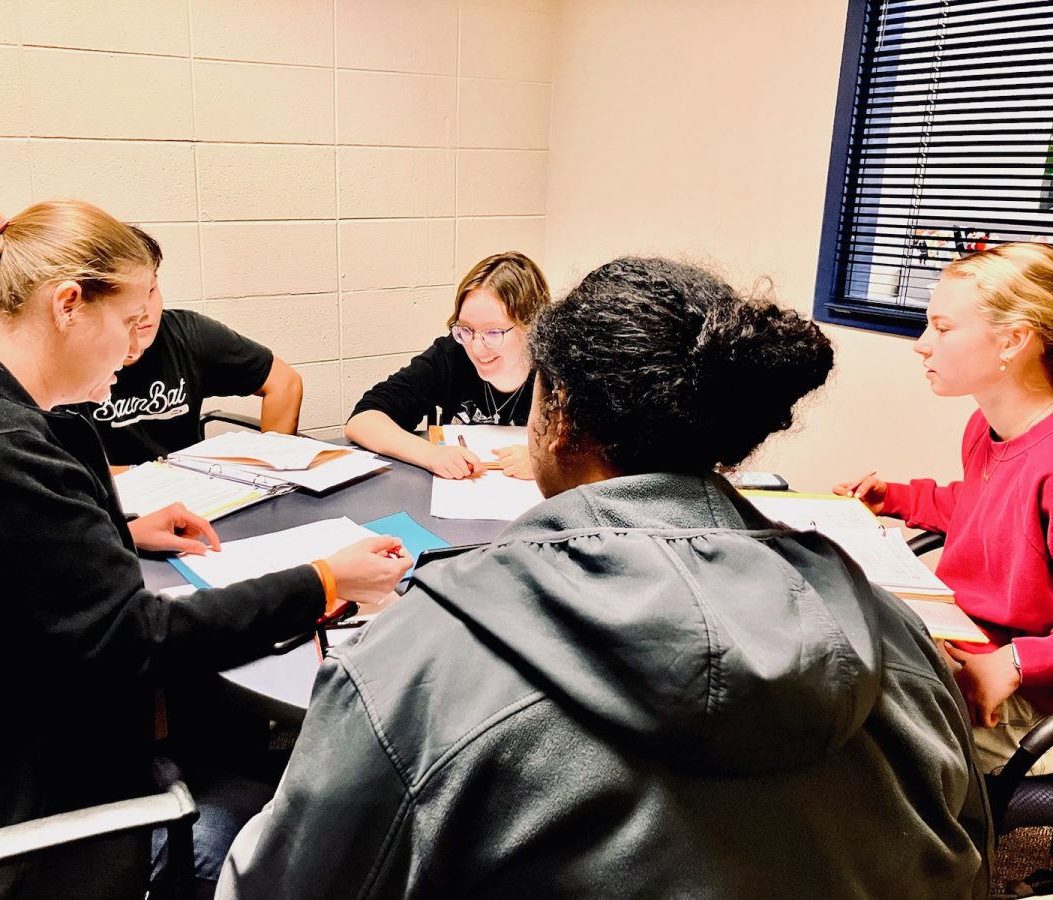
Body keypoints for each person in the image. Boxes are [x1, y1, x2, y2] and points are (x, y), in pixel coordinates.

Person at [219, 257, 988, 899]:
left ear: (554, 421)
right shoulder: (900, 638)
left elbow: (283, 885)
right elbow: (967, 853)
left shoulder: (413, 657)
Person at [0, 189, 411, 899]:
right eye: (127, 320)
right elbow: (136, 641)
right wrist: (326, 582)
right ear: (67, 304)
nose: (135, 345)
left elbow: (8, 562)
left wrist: (114, 530)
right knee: (280, 823)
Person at [835, 241, 1053, 777]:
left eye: (943, 327)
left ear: (1014, 340)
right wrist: (901, 499)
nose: (921, 345)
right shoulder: (987, 426)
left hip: (1030, 703)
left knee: (851, 733)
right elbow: (995, 518)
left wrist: (1018, 663)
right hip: (965, 640)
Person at [78, 225, 304, 466]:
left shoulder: (188, 334)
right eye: (128, 299)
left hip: (191, 489)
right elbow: (67, 477)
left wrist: (271, 465)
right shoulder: (66, 363)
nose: (144, 312)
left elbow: (284, 383)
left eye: (151, 291)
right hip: (115, 496)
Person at [345, 251, 549, 480]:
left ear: (533, 327)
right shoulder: (453, 355)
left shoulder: (560, 369)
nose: (476, 348)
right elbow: (363, 419)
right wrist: (432, 455)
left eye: (493, 332)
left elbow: (596, 457)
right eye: (466, 329)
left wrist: (546, 465)